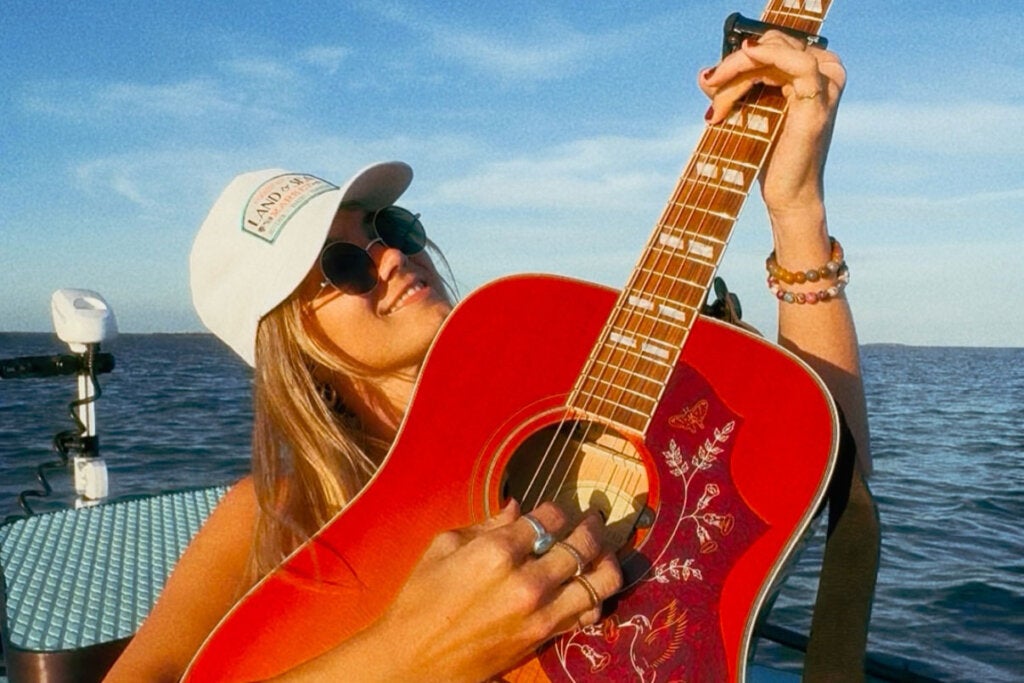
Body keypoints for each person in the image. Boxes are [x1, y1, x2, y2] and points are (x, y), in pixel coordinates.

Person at [107, 30, 875, 682]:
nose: (389, 258)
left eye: (392, 227)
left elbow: (823, 473)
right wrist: (413, 652)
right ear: (287, 342)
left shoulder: (580, 386)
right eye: (338, 266)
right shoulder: (278, 509)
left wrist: (797, 208)